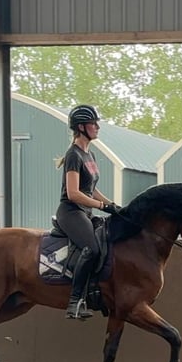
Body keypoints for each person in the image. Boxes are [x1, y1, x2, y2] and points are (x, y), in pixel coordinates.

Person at [56, 104, 120, 319]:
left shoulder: (89, 154)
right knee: (91, 249)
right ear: (82, 127)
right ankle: (74, 302)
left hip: (86, 212)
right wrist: (102, 206)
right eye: (94, 124)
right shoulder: (73, 154)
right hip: (71, 211)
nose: (98, 127)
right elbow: (74, 193)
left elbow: (91, 189)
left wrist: (112, 204)